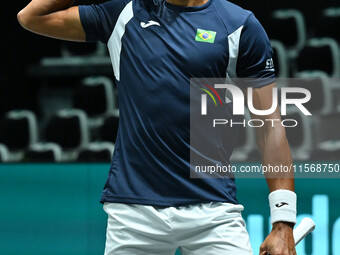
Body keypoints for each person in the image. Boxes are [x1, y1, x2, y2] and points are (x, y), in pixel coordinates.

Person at [17, 0, 297, 254]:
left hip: (212, 211)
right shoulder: (122, 14)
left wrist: (283, 221)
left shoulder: (238, 25)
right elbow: (30, 16)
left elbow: (269, 126)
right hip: (133, 213)